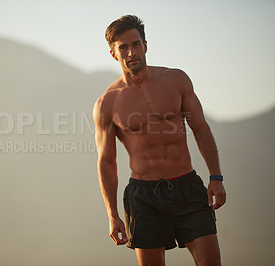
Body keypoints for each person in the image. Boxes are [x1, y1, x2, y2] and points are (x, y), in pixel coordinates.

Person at [93, 15, 226, 266]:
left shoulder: (176, 80)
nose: (131, 52)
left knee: (211, 261)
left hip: (187, 187)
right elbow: (106, 162)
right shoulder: (107, 103)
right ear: (113, 54)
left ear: (145, 45)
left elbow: (200, 128)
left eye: (136, 44)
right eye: (123, 47)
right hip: (143, 198)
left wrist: (216, 177)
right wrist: (112, 215)